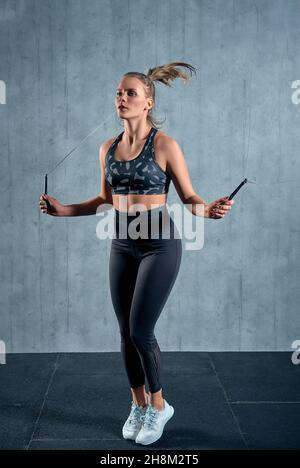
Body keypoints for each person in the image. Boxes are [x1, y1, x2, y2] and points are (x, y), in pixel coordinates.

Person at [39, 62, 234, 446]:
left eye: (130, 93)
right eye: (119, 92)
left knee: (141, 330)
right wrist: (64, 210)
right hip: (122, 242)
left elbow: (190, 197)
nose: (121, 98)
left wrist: (207, 209)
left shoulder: (164, 145)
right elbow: (104, 200)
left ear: (148, 102)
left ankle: (160, 407)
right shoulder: (107, 148)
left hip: (159, 243)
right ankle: (138, 404)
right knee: (125, 334)